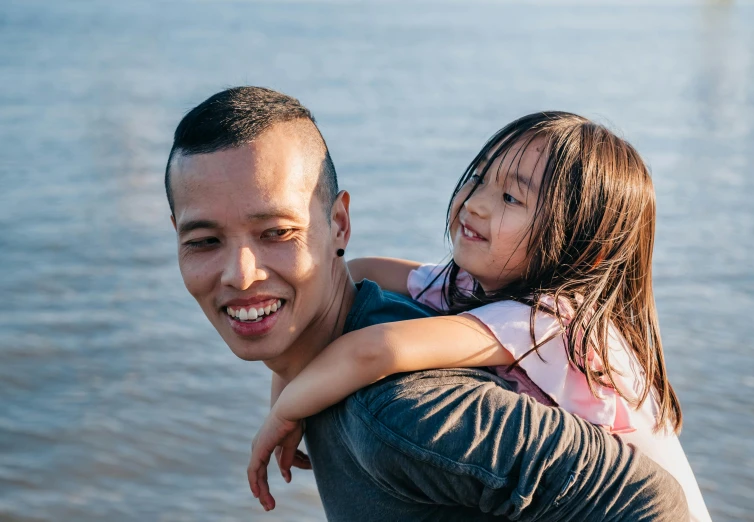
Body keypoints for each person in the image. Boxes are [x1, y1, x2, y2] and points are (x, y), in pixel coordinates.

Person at [166, 86, 688, 521]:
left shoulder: (412, 403)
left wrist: (284, 409)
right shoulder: (455, 290)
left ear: (338, 225)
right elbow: (361, 270)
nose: (241, 275)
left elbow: (653, 500)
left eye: (277, 232)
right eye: (204, 241)